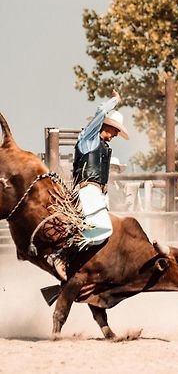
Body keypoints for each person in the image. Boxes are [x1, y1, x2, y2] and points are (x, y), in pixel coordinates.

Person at [46, 90, 129, 281]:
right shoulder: (89, 138)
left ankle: (78, 267)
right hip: (87, 190)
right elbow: (101, 111)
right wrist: (115, 100)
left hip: (97, 193)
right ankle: (61, 255)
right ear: (106, 125)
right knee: (102, 229)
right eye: (115, 130)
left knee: (105, 232)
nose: (116, 134)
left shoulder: (100, 144)